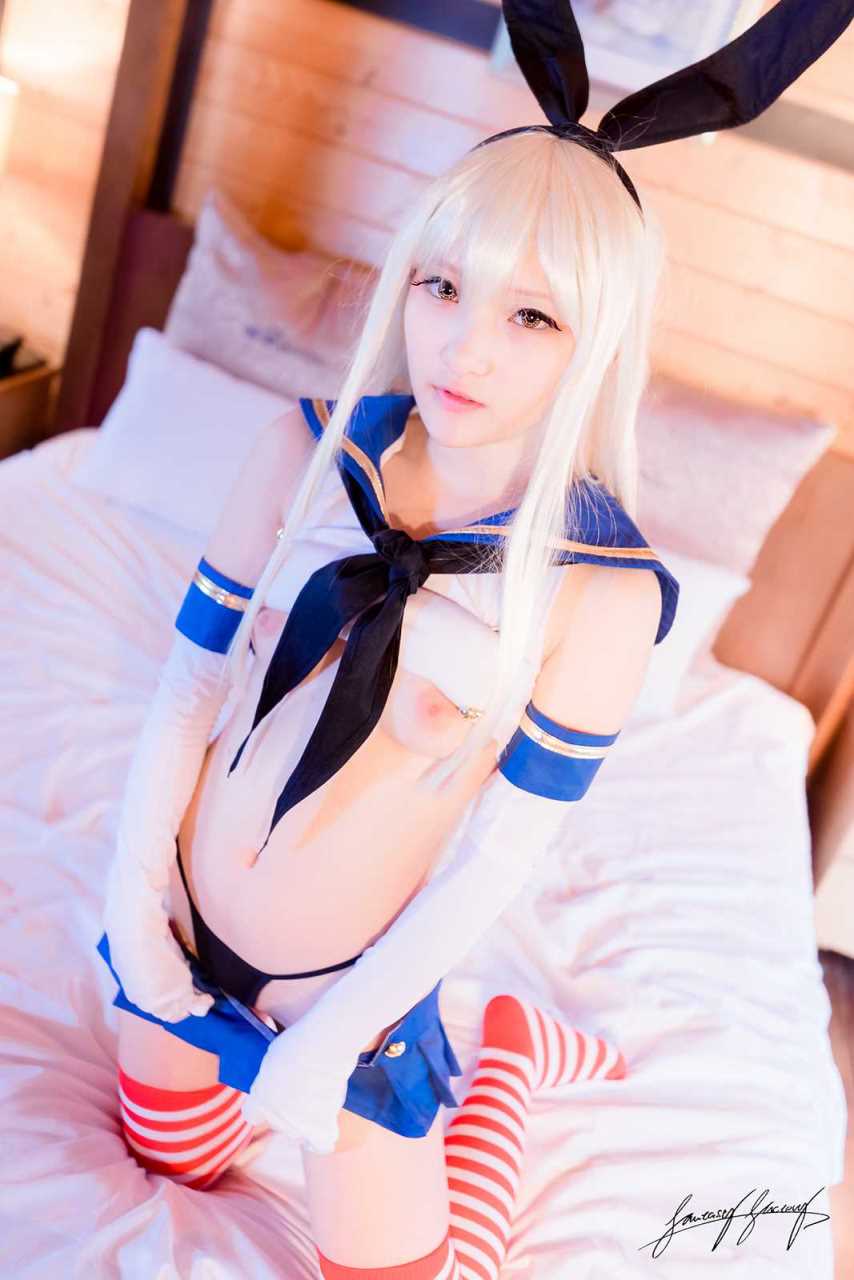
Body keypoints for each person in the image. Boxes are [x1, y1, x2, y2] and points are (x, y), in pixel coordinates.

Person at [96, 0, 851, 1274]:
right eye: (443, 286)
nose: (462, 346)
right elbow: (186, 689)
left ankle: (505, 1056)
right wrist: (134, 906)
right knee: (168, 1157)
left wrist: (330, 1043)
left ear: (595, 342)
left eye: (531, 318)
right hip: (181, 920)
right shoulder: (304, 448)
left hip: (349, 991)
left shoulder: (600, 596)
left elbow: (494, 859)